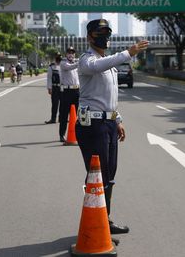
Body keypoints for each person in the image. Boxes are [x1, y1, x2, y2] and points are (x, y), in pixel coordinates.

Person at [75, 19, 149, 234]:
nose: (105, 37)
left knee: (109, 175)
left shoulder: (109, 64)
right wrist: (129, 52)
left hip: (107, 123)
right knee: (97, 174)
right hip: (92, 125)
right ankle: (96, 223)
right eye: (100, 33)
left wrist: (117, 119)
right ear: (90, 36)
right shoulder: (86, 60)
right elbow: (98, 66)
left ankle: (104, 220)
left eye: (108, 32)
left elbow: (110, 98)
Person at [59, 46, 79, 142]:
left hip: (76, 91)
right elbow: (70, 67)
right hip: (67, 92)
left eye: (72, 52)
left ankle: (78, 134)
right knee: (64, 114)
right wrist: (80, 63)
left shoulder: (76, 64)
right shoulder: (63, 63)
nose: (71, 54)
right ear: (66, 54)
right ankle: (62, 134)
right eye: (69, 52)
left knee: (78, 115)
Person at [45, 52, 62, 124]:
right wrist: (49, 88)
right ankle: (53, 119)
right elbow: (49, 78)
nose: (58, 57)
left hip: (62, 88)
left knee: (63, 104)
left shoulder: (64, 65)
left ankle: (61, 118)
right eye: (57, 56)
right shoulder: (51, 66)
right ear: (55, 57)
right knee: (55, 104)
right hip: (54, 87)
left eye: (59, 56)